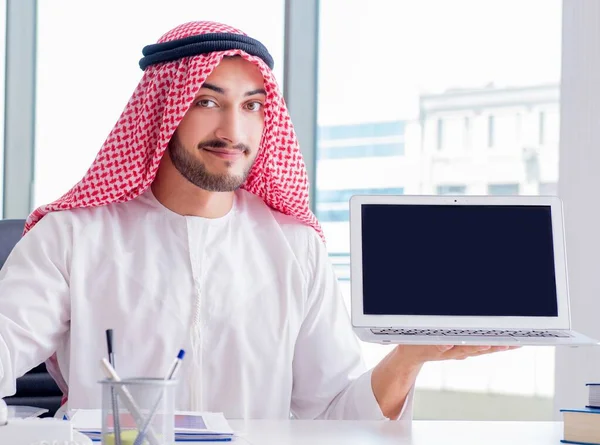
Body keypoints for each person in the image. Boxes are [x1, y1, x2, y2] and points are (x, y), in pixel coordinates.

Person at [0, 21, 513, 420]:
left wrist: (407, 359)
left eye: (252, 106)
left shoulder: (294, 246)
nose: (233, 129)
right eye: (207, 102)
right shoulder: (72, 236)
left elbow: (334, 414)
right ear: (163, 109)